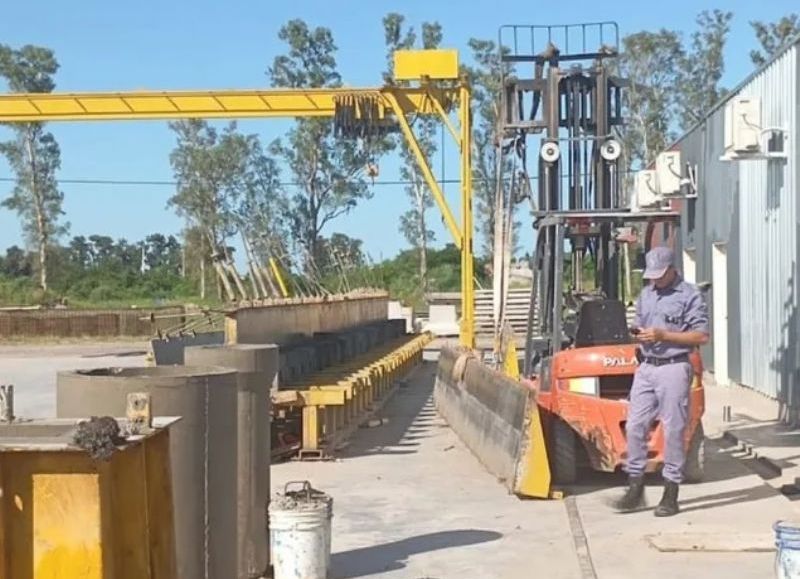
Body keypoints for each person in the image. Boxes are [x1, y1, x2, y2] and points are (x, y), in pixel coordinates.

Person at [615, 246, 710, 517]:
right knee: (634, 425)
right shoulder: (647, 294)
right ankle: (635, 486)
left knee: (673, 430)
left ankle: (671, 492)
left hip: (674, 366)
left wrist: (663, 335)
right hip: (646, 367)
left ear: (671, 269)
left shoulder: (690, 295)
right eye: (651, 275)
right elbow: (639, 323)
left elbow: (701, 336)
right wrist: (639, 334)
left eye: (659, 275)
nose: (654, 280)